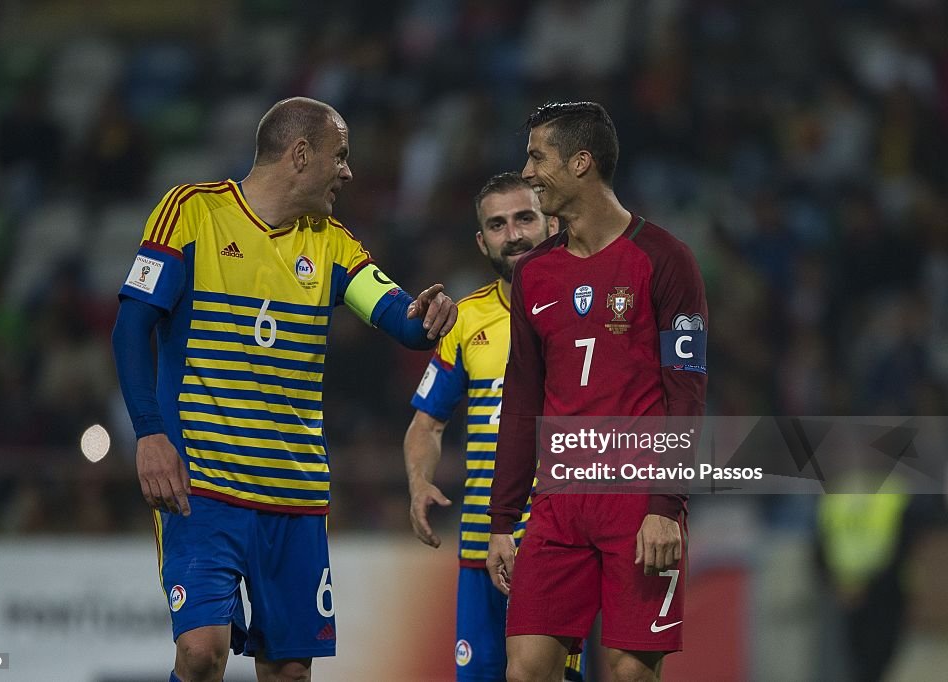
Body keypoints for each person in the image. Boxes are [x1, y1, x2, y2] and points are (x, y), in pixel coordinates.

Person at [111, 97, 457, 682]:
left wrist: (425, 317)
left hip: (293, 495)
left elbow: (397, 315)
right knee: (201, 653)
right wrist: (148, 433)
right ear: (301, 155)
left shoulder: (332, 243)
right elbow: (130, 329)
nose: (348, 172)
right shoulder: (191, 211)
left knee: (289, 671)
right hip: (202, 486)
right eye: (339, 156)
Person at [486, 102, 708, 682]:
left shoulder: (665, 260)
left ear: (581, 163)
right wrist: (501, 520)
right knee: (526, 670)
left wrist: (666, 507)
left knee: (629, 672)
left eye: (537, 156)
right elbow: (522, 401)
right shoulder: (535, 273)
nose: (527, 171)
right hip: (558, 504)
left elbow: (687, 396)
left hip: (638, 504)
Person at [403, 172, 582, 682]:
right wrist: (418, 482)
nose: (515, 235)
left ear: (551, 221)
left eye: (525, 218)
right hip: (483, 546)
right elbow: (426, 424)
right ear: (482, 241)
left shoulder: (585, 309)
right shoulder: (465, 319)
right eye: (498, 225)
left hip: (557, 544)